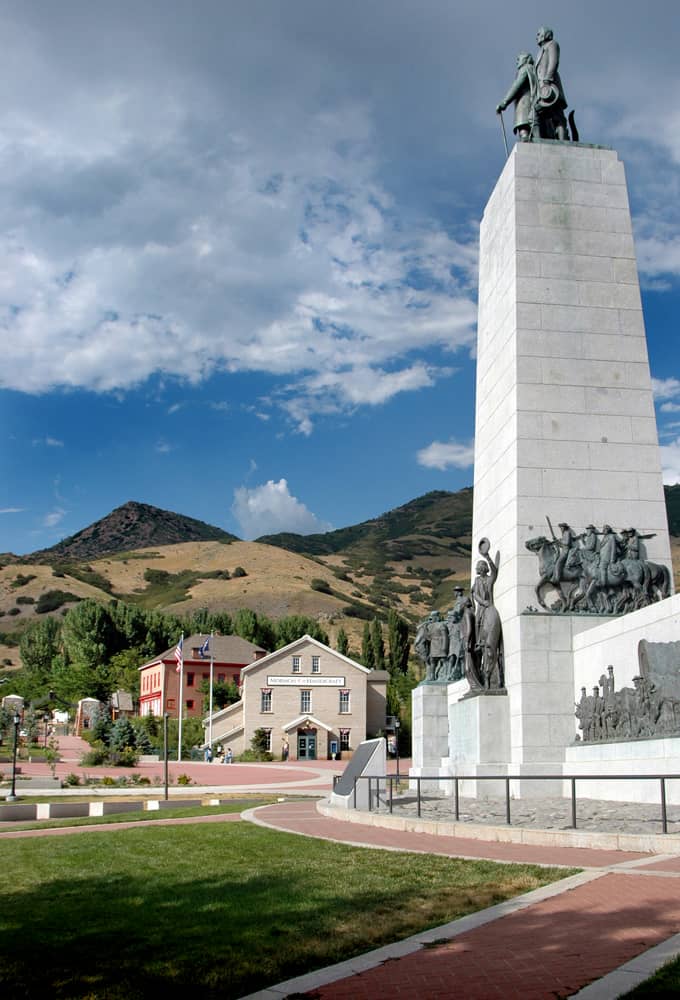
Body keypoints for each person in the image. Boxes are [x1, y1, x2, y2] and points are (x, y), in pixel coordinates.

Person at [534, 26, 569, 140]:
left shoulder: (552, 44)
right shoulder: (541, 51)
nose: (537, 37)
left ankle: (562, 140)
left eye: (539, 34)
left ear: (546, 34)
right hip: (541, 87)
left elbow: (554, 62)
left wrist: (548, 79)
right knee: (548, 114)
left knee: (556, 114)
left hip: (550, 85)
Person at [496, 52, 537, 142]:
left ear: (526, 59)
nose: (517, 62)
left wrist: (504, 103)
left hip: (524, 103)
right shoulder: (534, 70)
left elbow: (516, 86)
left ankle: (525, 139)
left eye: (519, 59)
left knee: (524, 129)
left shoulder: (524, 69)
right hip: (533, 103)